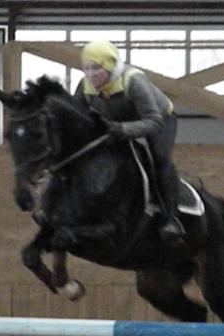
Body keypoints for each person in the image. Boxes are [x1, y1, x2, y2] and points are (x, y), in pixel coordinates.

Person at [74, 40, 185, 243]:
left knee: (159, 158)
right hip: (116, 124)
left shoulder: (133, 81)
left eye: (96, 68)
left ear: (109, 67)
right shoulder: (84, 86)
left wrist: (122, 130)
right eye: (86, 68)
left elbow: (153, 121)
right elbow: (77, 119)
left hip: (159, 119)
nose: (91, 75)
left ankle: (171, 218)